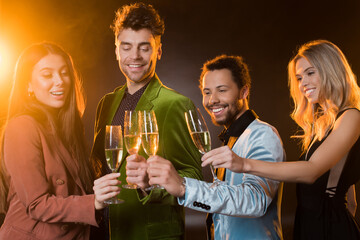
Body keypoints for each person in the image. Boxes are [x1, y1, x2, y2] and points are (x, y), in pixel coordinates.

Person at [201, 40, 360, 239]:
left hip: (329, 227)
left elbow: (311, 171)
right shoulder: (323, 124)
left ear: (331, 70)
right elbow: (350, 198)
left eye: (310, 73)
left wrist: (244, 164)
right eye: (299, 77)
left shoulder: (352, 116)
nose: (303, 84)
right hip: (311, 225)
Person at [90, 3, 202, 239]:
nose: (135, 57)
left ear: (158, 51)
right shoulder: (106, 103)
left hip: (151, 234)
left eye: (144, 48)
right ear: (116, 51)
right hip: (105, 230)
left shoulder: (177, 105)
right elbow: (100, 166)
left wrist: (151, 184)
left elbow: (195, 178)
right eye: (126, 47)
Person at [147, 55, 284, 239]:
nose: (212, 100)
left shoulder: (263, 134)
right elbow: (222, 201)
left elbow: (255, 201)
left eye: (222, 90)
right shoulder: (231, 140)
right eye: (207, 92)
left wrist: (184, 187)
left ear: (244, 92)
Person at [0, 42, 118, 240]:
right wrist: (94, 202)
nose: (60, 81)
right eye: (47, 75)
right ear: (27, 84)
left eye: (64, 73)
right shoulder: (21, 126)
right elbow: (37, 205)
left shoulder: (68, 128)